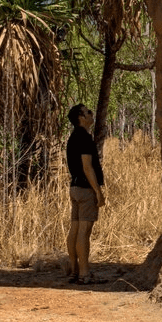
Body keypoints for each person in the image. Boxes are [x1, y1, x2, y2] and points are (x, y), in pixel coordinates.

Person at [65, 103, 105, 285]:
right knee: (84, 232)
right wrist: (97, 191)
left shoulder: (73, 138)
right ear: (81, 117)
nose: (91, 113)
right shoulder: (85, 139)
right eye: (88, 112)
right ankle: (85, 274)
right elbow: (87, 167)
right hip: (85, 189)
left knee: (74, 229)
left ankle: (73, 270)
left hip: (74, 188)